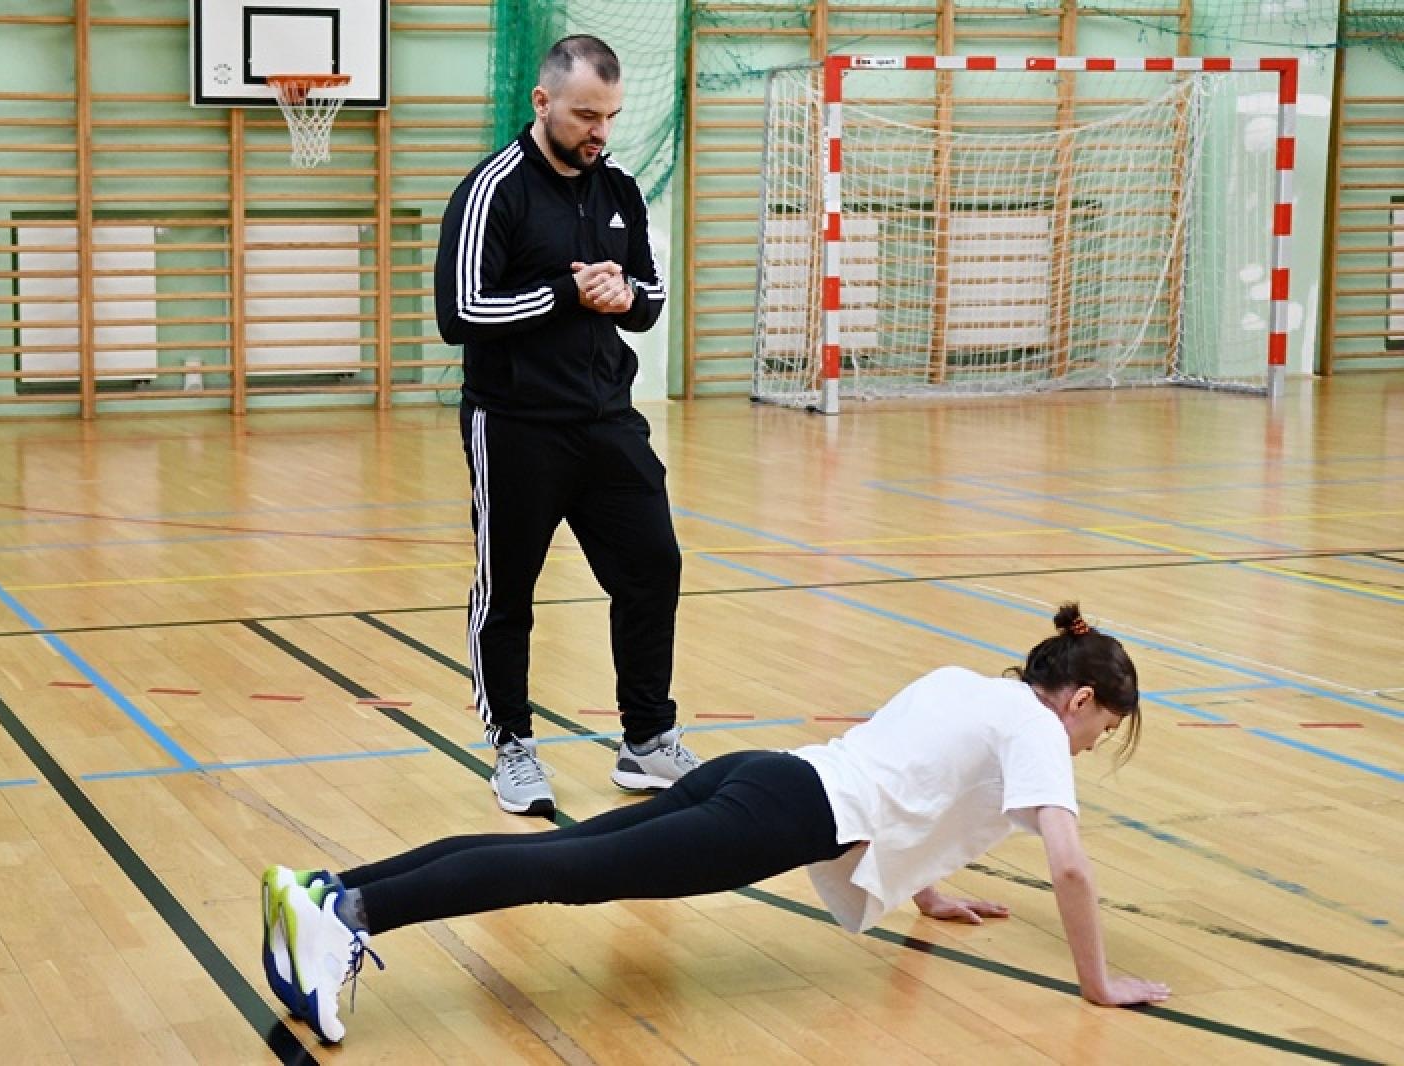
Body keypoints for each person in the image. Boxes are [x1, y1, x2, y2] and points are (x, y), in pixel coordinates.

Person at [260, 604, 1171, 1044]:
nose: (1091, 747)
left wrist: (926, 893)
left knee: (558, 852)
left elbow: (906, 783)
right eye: (1102, 730)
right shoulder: (1040, 730)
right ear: (1081, 701)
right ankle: (350, 921)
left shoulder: (973, 687)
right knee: (560, 872)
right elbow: (1071, 868)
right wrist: (1098, 983)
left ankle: (327, 892)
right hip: (777, 816)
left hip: (764, 775)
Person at [431, 34, 698, 817]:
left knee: (653, 567)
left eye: (609, 116)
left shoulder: (616, 188)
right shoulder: (493, 190)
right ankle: (512, 745)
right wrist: (567, 293)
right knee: (508, 591)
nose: (599, 132)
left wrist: (625, 299)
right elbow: (460, 316)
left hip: (608, 420)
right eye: (585, 114)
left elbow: (648, 298)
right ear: (543, 103)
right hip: (515, 424)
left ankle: (647, 740)